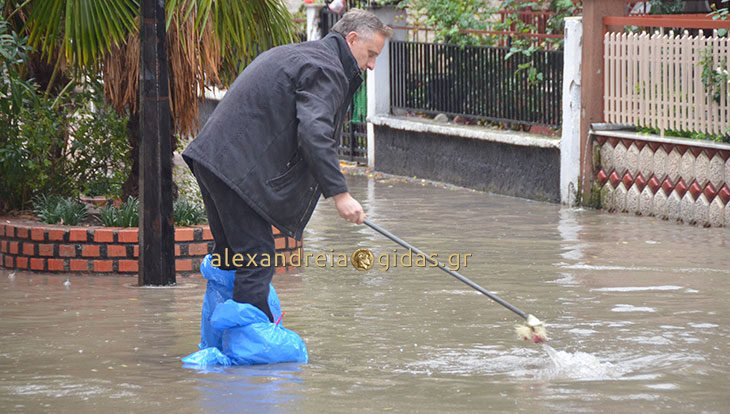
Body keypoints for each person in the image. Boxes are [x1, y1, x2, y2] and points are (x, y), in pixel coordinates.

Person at [182, 9, 393, 322]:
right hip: (235, 167)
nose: (373, 64)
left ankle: (224, 341)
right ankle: (251, 357)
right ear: (351, 39)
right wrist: (340, 195)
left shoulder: (305, 56)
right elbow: (314, 134)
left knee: (230, 255)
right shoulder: (327, 68)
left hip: (213, 159)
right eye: (371, 54)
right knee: (256, 259)